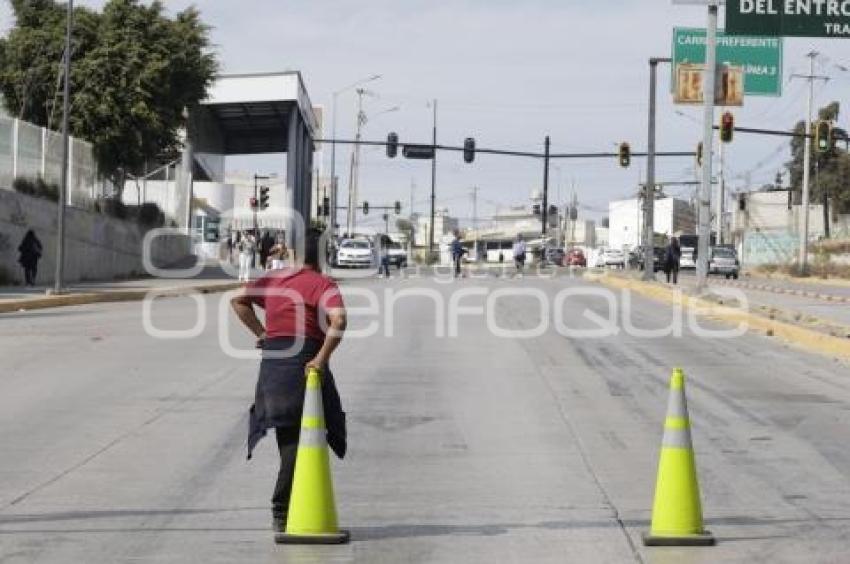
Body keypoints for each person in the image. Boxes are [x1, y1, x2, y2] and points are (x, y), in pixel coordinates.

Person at [230, 230, 348, 535]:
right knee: (299, 446)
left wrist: (261, 333)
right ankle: (282, 512)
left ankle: (290, 509)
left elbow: (239, 301)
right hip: (302, 368)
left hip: (273, 370)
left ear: (293, 254)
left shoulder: (274, 280)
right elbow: (340, 320)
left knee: (291, 442)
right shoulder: (323, 284)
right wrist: (321, 359)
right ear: (322, 257)